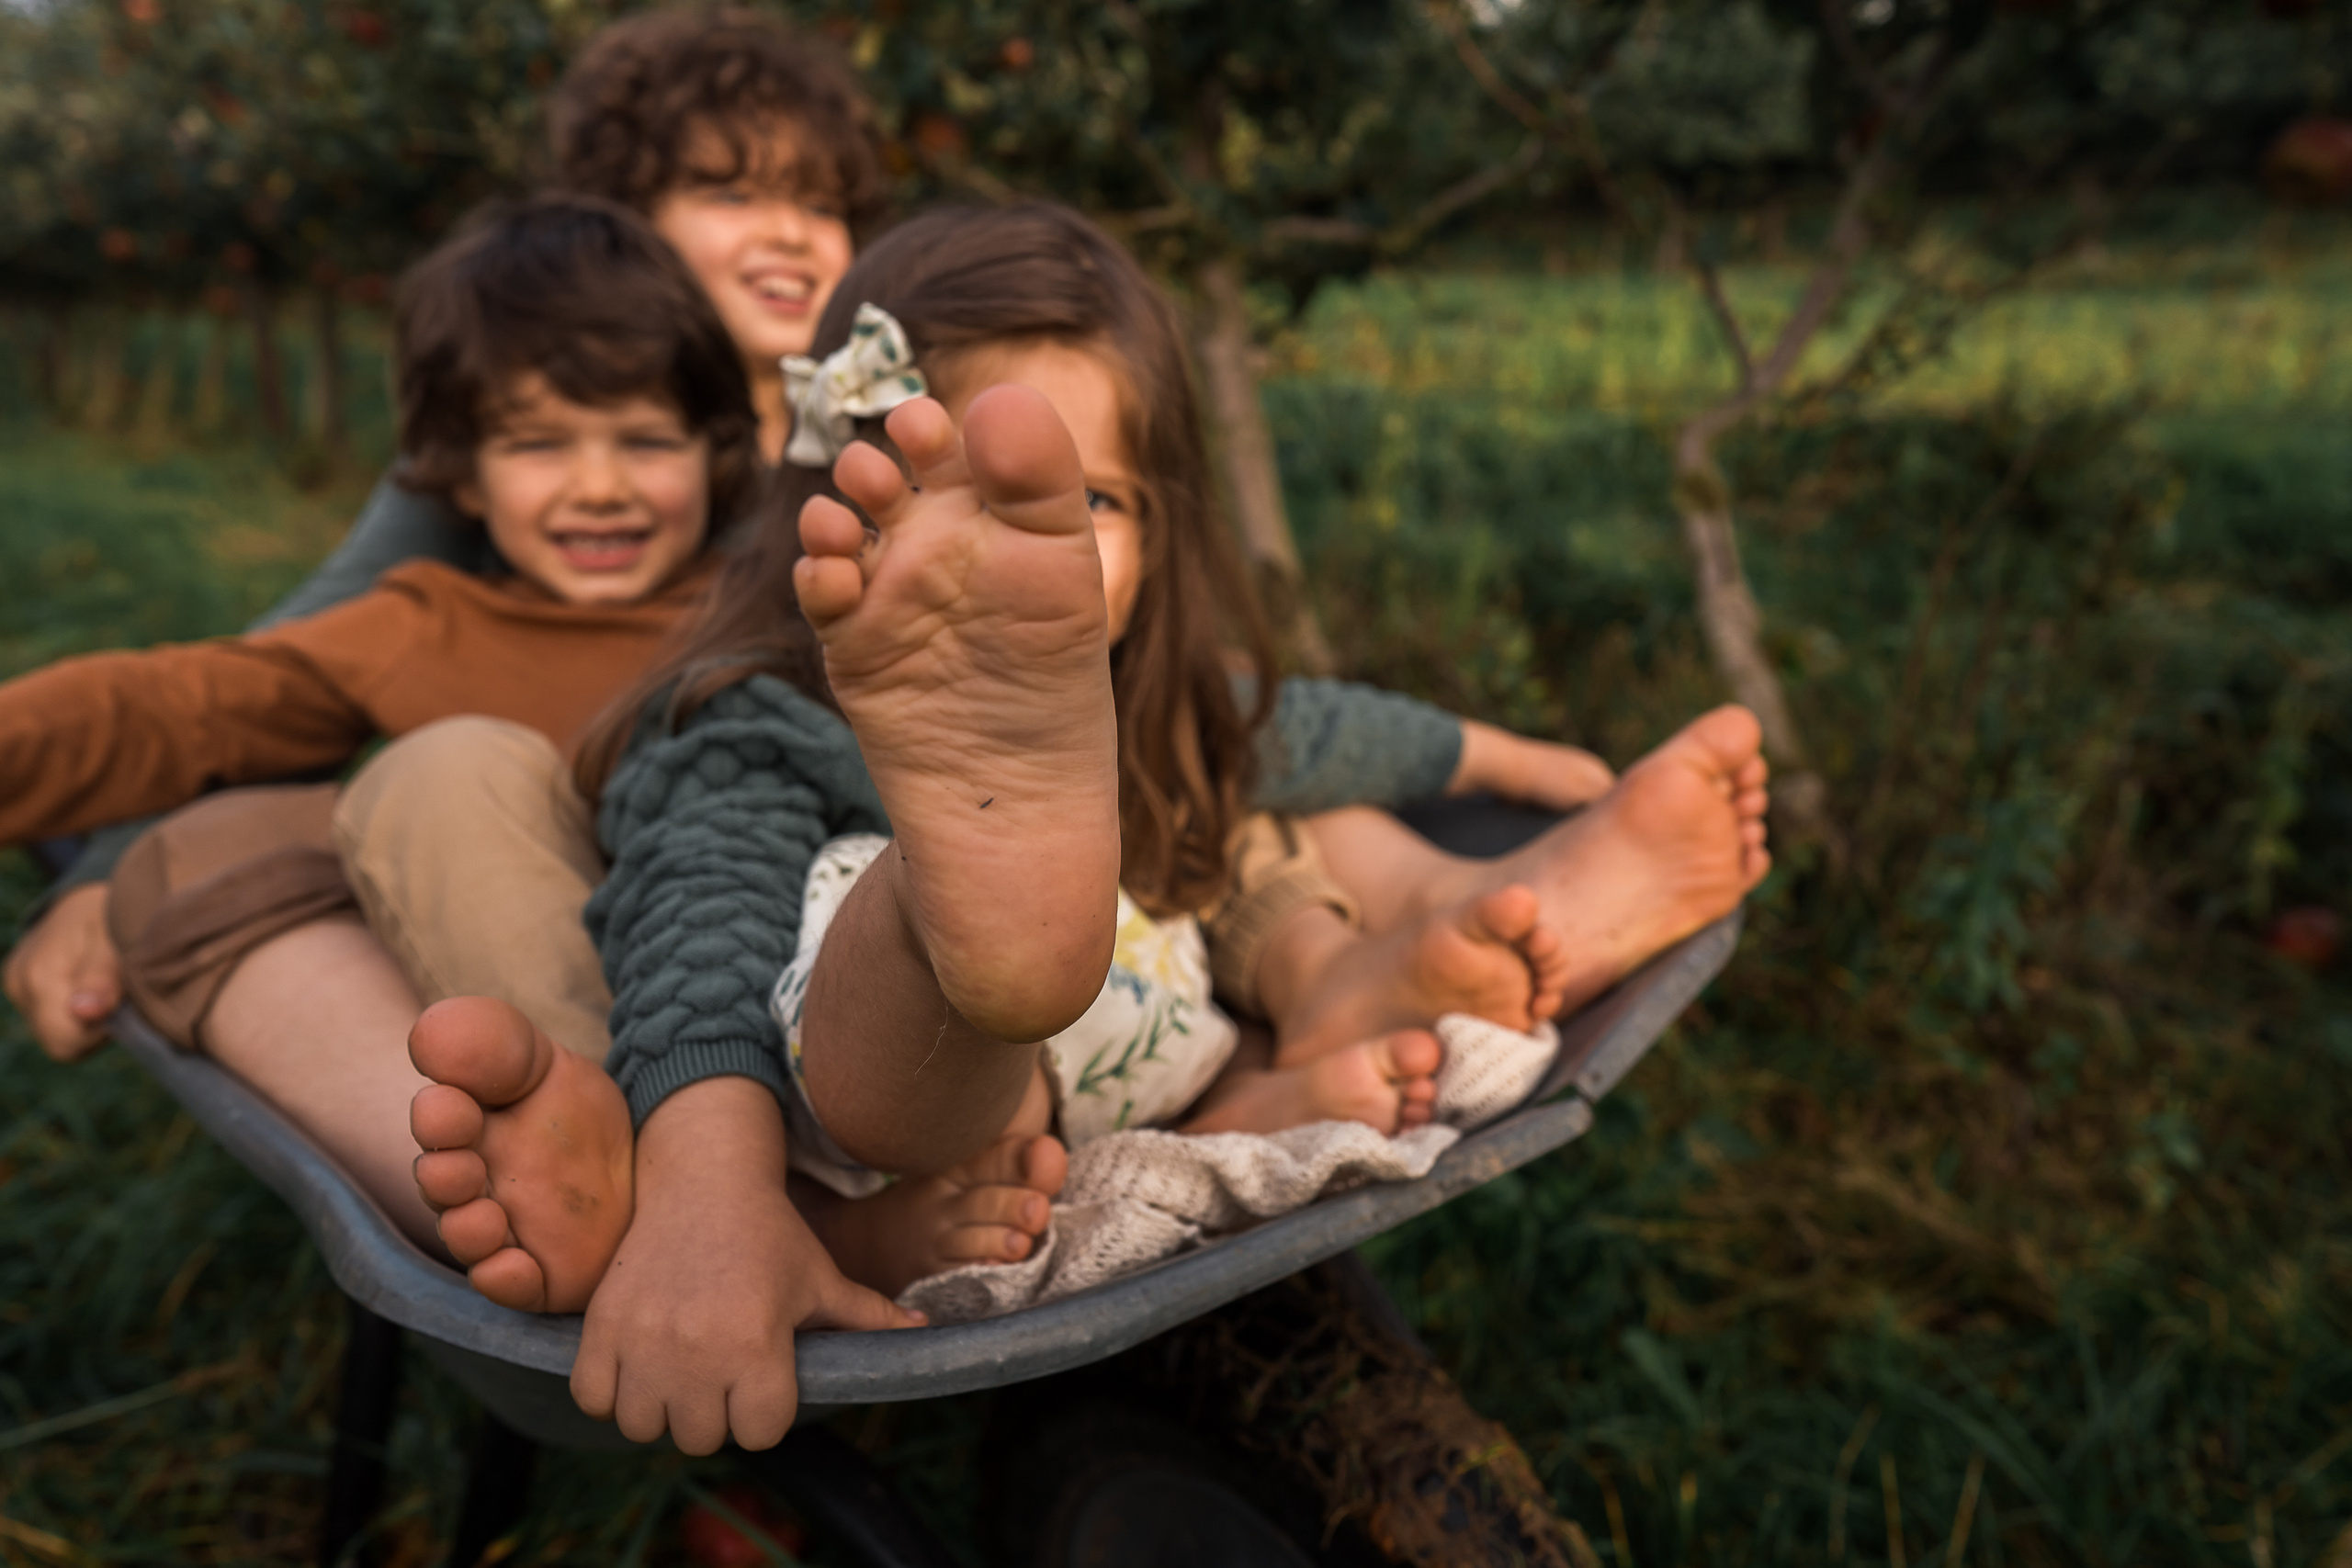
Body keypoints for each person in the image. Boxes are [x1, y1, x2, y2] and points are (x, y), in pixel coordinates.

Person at [398, 203, 1770, 1455]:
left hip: (1126, 1029)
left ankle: (1265, 1042)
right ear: (829, 501)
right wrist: (705, 1191)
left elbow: (1308, 729)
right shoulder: (755, 716)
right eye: (961, 503)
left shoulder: (1146, 697)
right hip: (903, 1100)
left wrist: (1516, 756)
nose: (1018, 555)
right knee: (869, 892)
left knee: (1222, 773)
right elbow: (702, 915)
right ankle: (953, 930)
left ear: (1159, 532)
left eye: (1084, 503)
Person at [4, 6, 888, 1061]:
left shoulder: (873, 457)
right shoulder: (466, 539)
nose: (791, 232)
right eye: (731, 191)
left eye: (821, 203)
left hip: (827, 927)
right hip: (576, 922)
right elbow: (239, 695)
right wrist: (106, 872)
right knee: (317, 816)